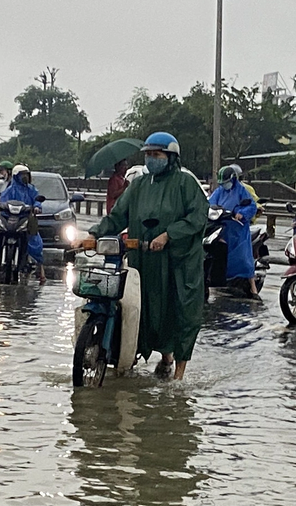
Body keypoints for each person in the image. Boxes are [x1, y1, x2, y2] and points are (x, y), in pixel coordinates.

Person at [89, 131, 208, 380]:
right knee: (142, 309)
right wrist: (93, 234)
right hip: (144, 260)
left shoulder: (186, 184)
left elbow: (197, 218)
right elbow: (117, 216)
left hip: (178, 263)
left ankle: (179, 374)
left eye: (157, 155)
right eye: (148, 155)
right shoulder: (139, 185)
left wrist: (168, 235)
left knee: (180, 313)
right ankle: (152, 357)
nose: (152, 159)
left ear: (170, 157)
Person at [208, 165, 259, 298]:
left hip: (238, 230)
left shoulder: (242, 191)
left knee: (244, 260)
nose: (224, 185)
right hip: (222, 227)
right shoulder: (219, 191)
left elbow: (252, 206)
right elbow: (210, 203)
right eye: (222, 183)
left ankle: (253, 289)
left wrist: (241, 213)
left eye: (226, 183)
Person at [0, 164, 47, 282]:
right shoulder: (9, 189)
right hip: (10, 218)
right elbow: (2, 200)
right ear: (15, 176)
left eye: (26, 175)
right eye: (22, 175)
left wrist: (37, 207)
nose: (24, 177)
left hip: (26, 218)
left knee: (36, 242)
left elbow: (36, 200)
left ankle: (41, 271)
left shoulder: (31, 189)